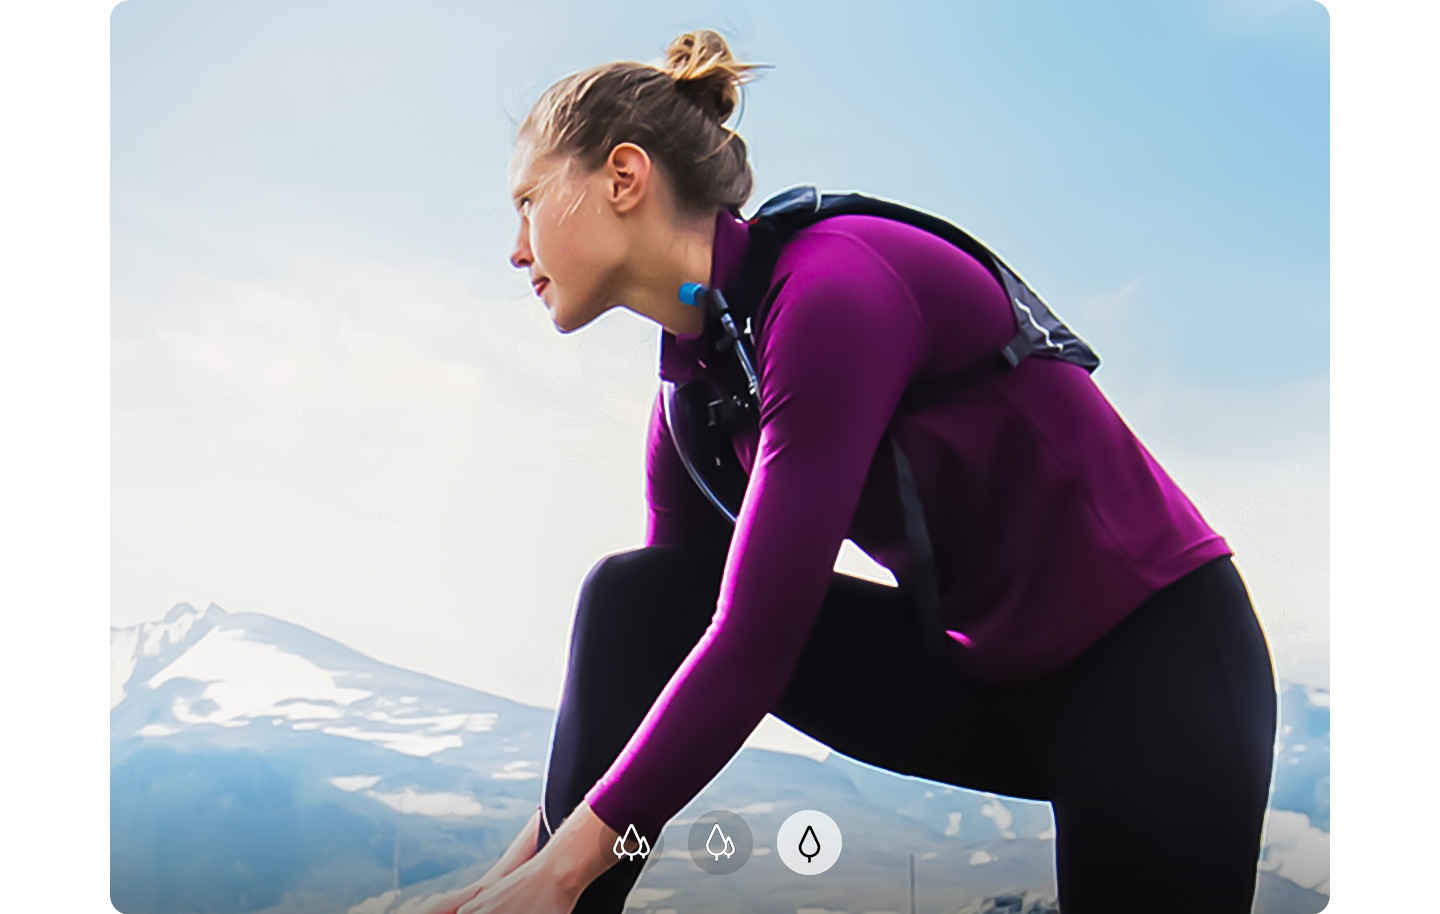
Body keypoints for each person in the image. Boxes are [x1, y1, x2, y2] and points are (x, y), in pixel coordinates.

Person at [427, 29, 1279, 914]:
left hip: (1155, 673)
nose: (516, 248)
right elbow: (656, 656)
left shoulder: (834, 285)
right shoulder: (699, 383)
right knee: (639, 598)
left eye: (527, 201)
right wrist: (515, 877)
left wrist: (560, 874)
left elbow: (754, 641)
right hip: (987, 679)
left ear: (624, 177)